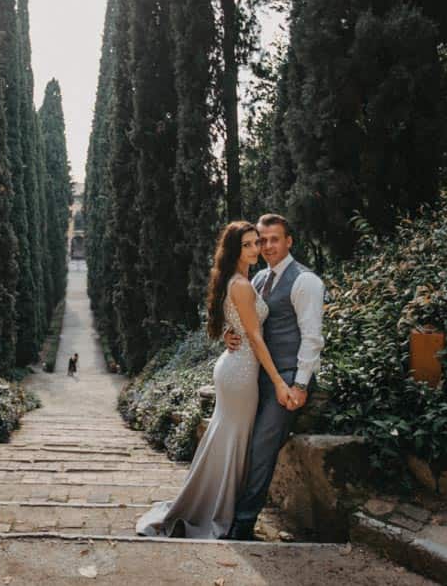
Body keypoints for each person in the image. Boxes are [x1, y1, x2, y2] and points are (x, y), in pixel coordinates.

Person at [135, 221, 290, 539]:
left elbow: (231, 323)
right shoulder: (243, 284)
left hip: (235, 367)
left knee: (224, 441)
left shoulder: (241, 280)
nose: (255, 249)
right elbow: (256, 338)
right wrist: (277, 379)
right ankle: (215, 512)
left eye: (256, 243)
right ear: (235, 249)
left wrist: (227, 334)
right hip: (241, 373)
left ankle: (208, 505)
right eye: (247, 244)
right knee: (232, 442)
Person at [224, 213, 325, 540]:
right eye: (261, 240)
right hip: (257, 377)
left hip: (287, 380)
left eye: (274, 239)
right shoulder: (258, 280)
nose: (266, 246)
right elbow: (249, 325)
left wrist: (300, 384)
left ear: (289, 241)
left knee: (262, 448)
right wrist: (230, 334)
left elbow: (312, 338)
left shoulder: (305, 281)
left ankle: (242, 526)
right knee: (243, 445)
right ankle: (231, 514)